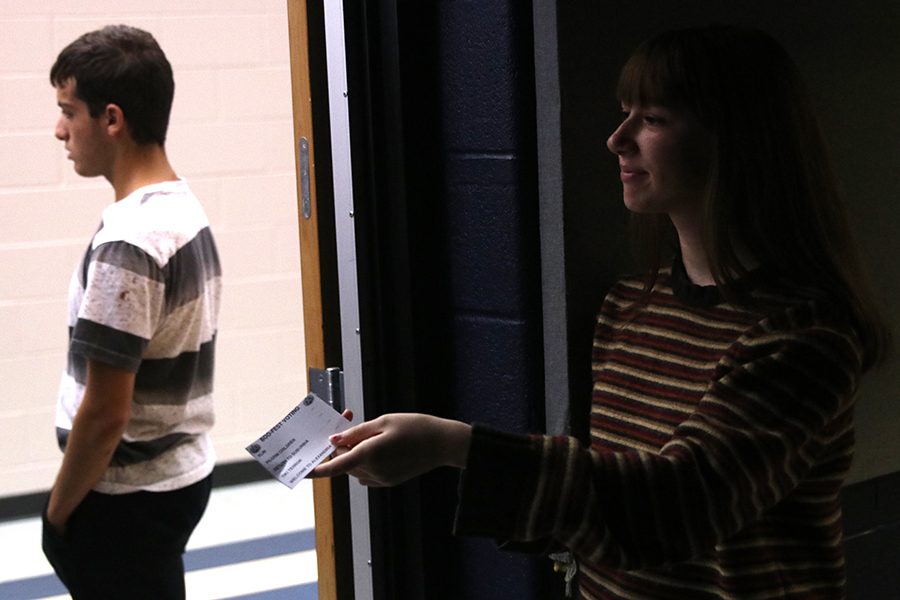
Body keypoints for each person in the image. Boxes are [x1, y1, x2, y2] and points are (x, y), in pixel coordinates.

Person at [311, 25, 891, 599]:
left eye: (654, 118)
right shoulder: (632, 305)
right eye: (624, 112)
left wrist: (450, 445)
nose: (617, 140)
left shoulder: (802, 337)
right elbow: (603, 504)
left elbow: (675, 508)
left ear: (736, 140)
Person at [42, 25, 222, 599]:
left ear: (112, 119)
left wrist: (58, 513)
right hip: (175, 478)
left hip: (125, 499)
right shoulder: (181, 208)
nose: (59, 130)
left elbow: (104, 415)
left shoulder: (132, 243)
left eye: (69, 111)